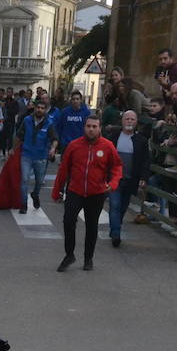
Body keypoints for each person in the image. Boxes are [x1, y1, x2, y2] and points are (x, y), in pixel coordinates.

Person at [52, 116, 122, 272]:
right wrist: (57, 191)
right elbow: (63, 169)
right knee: (68, 221)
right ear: (84, 127)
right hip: (75, 191)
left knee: (92, 226)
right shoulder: (74, 146)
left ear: (99, 128)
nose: (91, 129)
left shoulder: (107, 146)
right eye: (88, 126)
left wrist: (113, 184)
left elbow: (117, 167)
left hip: (96, 193)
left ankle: (88, 258)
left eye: (94, 126)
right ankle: (69, 254)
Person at [106, 110, 149, 248]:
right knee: (115, 205)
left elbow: (145, 161)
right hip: (115, 179)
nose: (129, 121)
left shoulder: (141, 141)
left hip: (131, 180)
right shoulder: (114, 137)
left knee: (123, 207)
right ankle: (116, 234)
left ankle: (115, 226)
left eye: (132, 119)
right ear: (122, 121)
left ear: (136, 122)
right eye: (127, 119)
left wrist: (143, 178)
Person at [18, 99, 58, 213]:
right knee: (24, 179)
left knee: (39, 181)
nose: (39, 110)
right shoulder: (27, 120)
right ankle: (23, 204)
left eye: (42, 108)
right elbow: (19, 135)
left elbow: (54, 138)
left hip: (41, 156)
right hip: (26, 155)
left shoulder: (49, 123)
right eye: (38, 107)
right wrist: (13, 149)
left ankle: (35, 194)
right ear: (34, 108)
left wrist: (53, 148)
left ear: (45, 110)